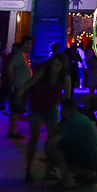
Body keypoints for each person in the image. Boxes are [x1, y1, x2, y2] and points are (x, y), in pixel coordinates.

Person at [24, 51, 66, 183]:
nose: (54, 68)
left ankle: (48, 170)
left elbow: (68, 94)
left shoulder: (64, 77)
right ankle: (28, 169)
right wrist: (20, 92)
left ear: (62, 67)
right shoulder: (44, 72)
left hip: (51, 107)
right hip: (36, 104)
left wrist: (67, 110)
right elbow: (30, 83)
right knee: (34, 137)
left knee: (52, 139)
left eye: (57, 66)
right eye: (53, 64)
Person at [46, 103, 97, 187]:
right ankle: (86, 174)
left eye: (62, 110)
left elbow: (53, 140)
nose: (61, 113)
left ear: (67, 110)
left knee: (56, 150)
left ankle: (67, 180)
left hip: (87, 158)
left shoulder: (70, 122)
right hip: (95, 158)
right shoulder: (82, 118)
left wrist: (48, 156)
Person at [3, 36, 35, 141]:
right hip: (19, 86)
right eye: (27, 43)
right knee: (16, 110)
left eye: (30, 44)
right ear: (22, 44)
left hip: (22, 86)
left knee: (16, 110)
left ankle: (12, 131)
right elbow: (10, 66)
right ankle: (13, 131)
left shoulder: (24, 55)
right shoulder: (19, 54)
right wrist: (12, 80)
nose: (29, 46)